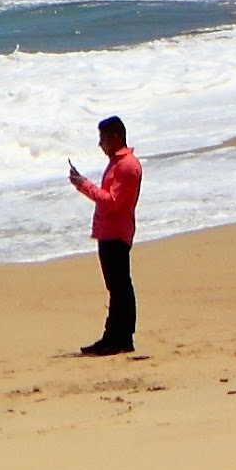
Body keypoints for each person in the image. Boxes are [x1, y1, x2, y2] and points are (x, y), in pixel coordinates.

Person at [68, 115, 142, 357]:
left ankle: (121, 337)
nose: (100, 144)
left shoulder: (127, 165)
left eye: (103, 138)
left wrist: (83, 184)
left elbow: (111, 201)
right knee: (117, 286)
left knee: (120, 287)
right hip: (109, 232)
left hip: (117, 232)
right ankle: (115, 337)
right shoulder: (117, 163)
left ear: (116, 137)